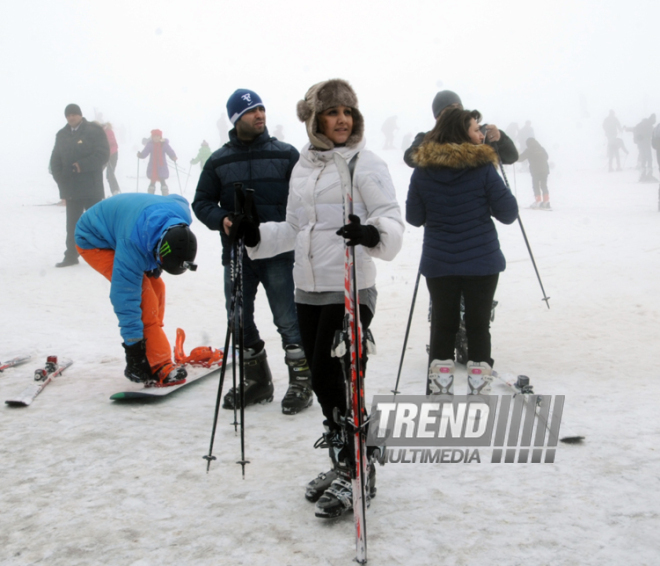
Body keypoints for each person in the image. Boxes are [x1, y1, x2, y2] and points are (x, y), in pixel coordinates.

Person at [245, 79, 404, 519]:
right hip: (308, 289)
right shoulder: (303, 167)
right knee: (319, 379)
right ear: (315, 119)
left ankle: (359, 470)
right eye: (332, 113)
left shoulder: (364, 164)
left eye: (348, 112)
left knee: (342, 380)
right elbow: (296, 228)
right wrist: (256, 236)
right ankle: (342, 463)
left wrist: (372, 234)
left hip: (350, 289)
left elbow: (390, 220)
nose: (342, 120)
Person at [193, 89, 312, 416]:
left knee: (288, 319)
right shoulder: (219, 160)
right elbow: (201, 202)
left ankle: (302, 380)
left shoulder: (287, 155)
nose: (259, 115)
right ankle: (258, 382)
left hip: (278, 253)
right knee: (239, 320)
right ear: (235, 119)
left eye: (261, 109)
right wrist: (224, 220)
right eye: (251, 111)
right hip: (236, 255)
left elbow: (304, 201)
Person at [406, 107, 518, 397]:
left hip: (439, 261)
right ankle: (478, 393)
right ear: (460, 132)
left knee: (443, 326)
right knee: (478, 326)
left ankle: (440, 394)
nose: (481, 134)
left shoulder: (423, 170)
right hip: (482, 261)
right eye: (475, 129)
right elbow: (508, 213)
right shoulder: (482, 169)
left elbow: (414, 217)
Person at [75, 193, 197, 386]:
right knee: (143, 297)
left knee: (157, 286)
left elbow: (177, 198)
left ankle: (152, 344)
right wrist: (133, 351)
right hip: (94, 239)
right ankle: (159, 363)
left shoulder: (181, 216)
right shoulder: (133, 246)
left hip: (129, 228)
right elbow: (125, 298)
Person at [50, 104, 110, 268]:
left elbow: (103, 154)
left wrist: (81, 165)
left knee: (96, 223)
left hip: (91, 186)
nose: (71, 117)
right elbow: (55, 159)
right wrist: (59, 178)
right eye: (68, 115)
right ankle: (71, 255)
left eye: (74, 114)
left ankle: (104, 254)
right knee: (72, 224)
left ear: (80, 115)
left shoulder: (94, 131)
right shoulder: (61, 135)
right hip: (71, 188)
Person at [404, 90, 518, 168]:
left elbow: (511, 157)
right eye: (449, 109)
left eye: (459, 107)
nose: (456, 112)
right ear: (437, 117)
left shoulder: (480, 135)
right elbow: (410, 158)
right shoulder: (427, 138)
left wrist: (500, 138)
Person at [137, 129, 178, 194]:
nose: (156, 138)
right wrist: (141, 155)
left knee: (162, 180)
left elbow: (169, 151)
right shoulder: (150, 144)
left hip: (162, 166)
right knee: (152, 180)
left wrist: (173, 156)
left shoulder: (164, 144)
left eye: (157, 136)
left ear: (160, 137)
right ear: (152, 137)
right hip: (153, 166)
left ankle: (165, 194)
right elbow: (145, 152)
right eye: (154, 136)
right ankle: (151, 194)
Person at [519, 137, 551, 209]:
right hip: (544, 170)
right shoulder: (541, 148)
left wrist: (513, 157)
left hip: (536, 170)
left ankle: (538, 201)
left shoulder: (529, 150)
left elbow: (520, 158)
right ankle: (546, 202)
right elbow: (547, 157)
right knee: (544, 185)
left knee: (536, 185)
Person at [103, 123, 121, 195]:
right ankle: (115, 190)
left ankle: (115, 191)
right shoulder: (105, 131)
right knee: (101, 173)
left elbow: (112, 144)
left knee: (110, 173)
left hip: (112, 155)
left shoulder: (108, 132)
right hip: (106, 154)